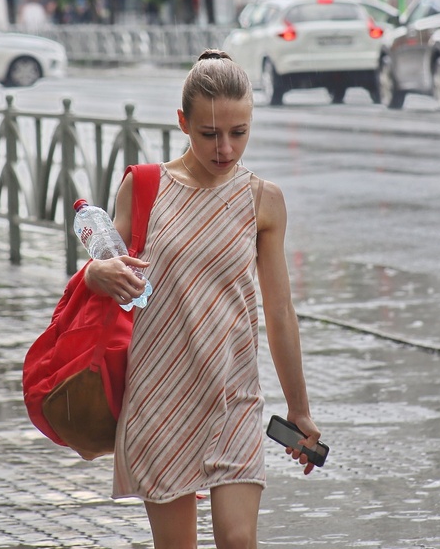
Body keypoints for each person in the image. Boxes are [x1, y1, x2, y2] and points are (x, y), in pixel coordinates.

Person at [83, 49, 321, 548]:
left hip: (233, 394)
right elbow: (101, 271)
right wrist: (96, 274)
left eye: (239, 132)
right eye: (210, 133)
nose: (226, 148)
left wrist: (298, 407)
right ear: (182, 123)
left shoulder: (264, 200)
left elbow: (278, 312)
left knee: (238, 540)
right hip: (159, 395)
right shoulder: (145, 187)